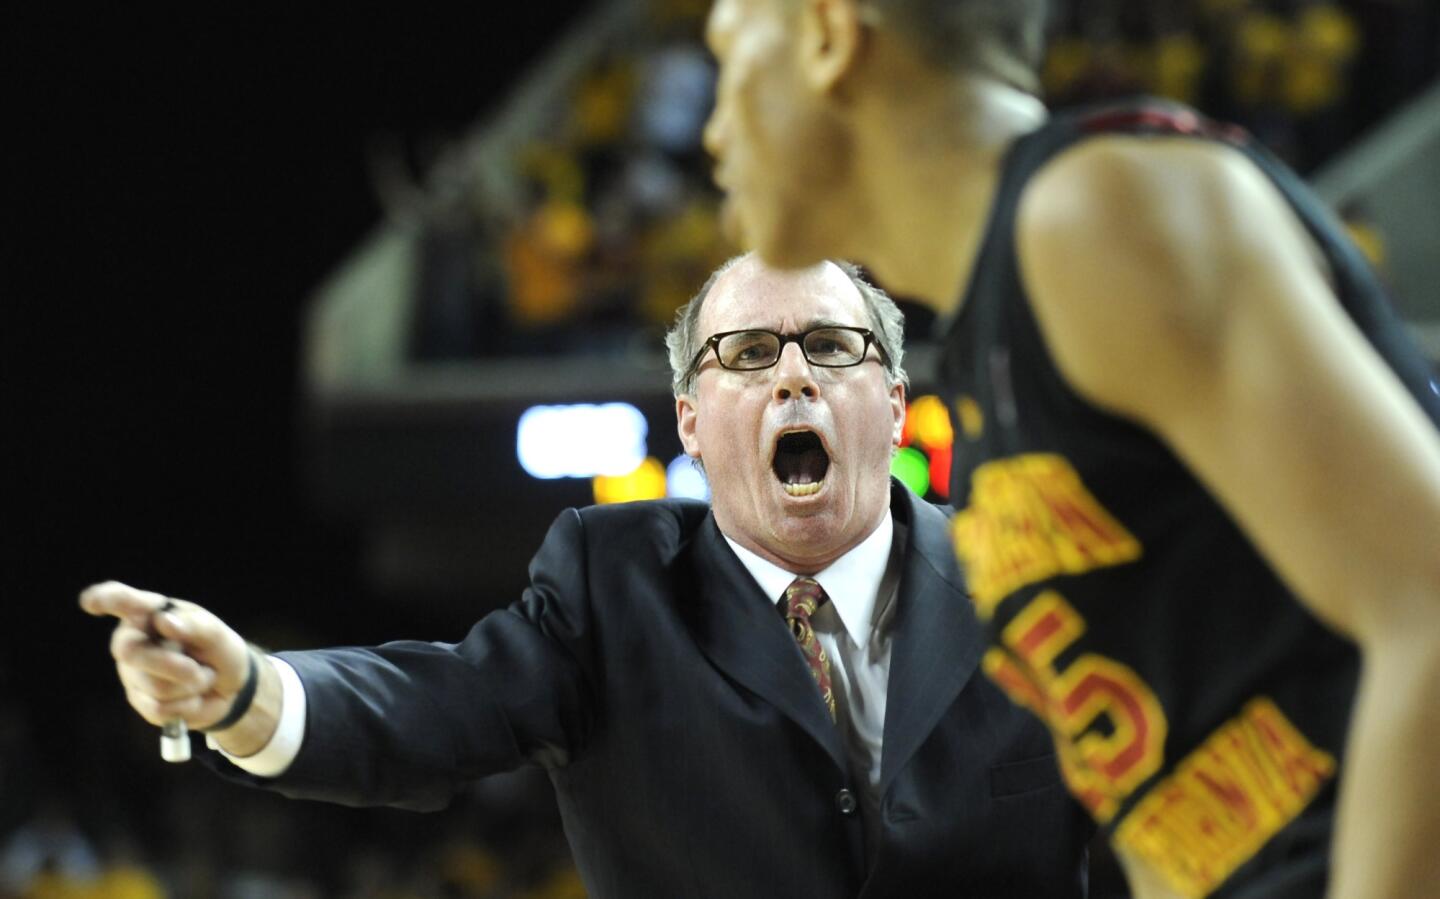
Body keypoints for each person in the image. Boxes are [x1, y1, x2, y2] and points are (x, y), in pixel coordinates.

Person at [699, 1, 1440, 896]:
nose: (712, 131)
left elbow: (1428, 604)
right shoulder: (996, 328)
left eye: (729, 62)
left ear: (829, 33)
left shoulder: (1093, 216)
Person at [82, 254, 1093, 898]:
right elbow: (444, 700)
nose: (794, 373)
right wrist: (251, 689)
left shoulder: (1030, 579)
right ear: (692, 418)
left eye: (832, 346)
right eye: (746, 353)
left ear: (892, 396)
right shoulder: (613, 582)